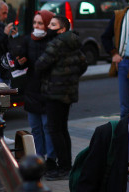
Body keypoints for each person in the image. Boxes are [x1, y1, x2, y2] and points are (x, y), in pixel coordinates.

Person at [33, 14, 88, 180]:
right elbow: (83, 64)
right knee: (62, 129)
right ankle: (66, 165)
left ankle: (63, 167)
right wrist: (70, 78)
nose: (49, 27)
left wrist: (54, 76)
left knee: (55, 130)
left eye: (53, 25)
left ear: (62, 29)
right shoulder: (74, 43)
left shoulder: (57, 43)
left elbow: (40, 64)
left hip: (54, 92)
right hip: (67, 93)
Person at [20, 10, 56, 170]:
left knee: (47, 127)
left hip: (48, 90)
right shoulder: (28, 40)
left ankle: (51, 159)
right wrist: (19, 61)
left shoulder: (54, 40)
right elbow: (23, 61)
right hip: (32, 89)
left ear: (47, 24)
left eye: (40, 23)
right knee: (35, 128)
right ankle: (38, 158)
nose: (36, 26)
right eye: (35, 23)